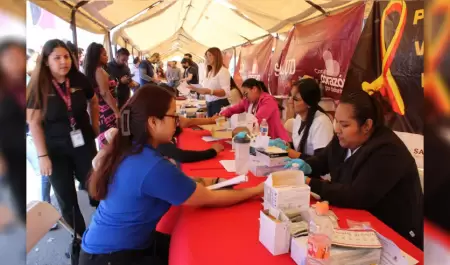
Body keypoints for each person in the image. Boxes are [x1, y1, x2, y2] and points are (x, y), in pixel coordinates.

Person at [80, 85, 263, 265]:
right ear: (153, 122)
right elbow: (209, 198)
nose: (177, 122)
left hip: (109, 248)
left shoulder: (131, 149)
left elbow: (173, 183)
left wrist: (211, 180)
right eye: (173, 116)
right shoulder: (150, 165)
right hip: (112, 257)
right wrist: (256, 190)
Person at [288, 90, 423, 249]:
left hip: (395, 235)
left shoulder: (387, 150)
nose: (337, 129)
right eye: (336, 121)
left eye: (344, 124)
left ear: (367, 125)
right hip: (359, 223)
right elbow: (324, 159)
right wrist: (306, 166)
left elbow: (356, 195)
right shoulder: (344, 138)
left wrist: (310, 182)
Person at [26, 39, 100, 239]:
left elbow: (93, 101)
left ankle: (104, 228)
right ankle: (80, 239)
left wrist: (95, 126)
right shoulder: (38, 85)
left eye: (66, 56)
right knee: (66, 197)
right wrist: (43, 156)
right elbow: (33, 122)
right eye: (57, 58)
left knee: (96, 185)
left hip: (83, 142)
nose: (63, 62)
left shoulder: (79, 79)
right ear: (46, 61)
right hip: (54, 149)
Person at [0, 40, 27, 222]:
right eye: (10, 58)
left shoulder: (24, 86)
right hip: (9, 155)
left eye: (21, 57)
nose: (17, 62)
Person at [277, 78, 333, 159]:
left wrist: (289, 151)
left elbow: (321, 161)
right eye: (290, 96)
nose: (290, 101)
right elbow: (299, 148)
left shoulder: (321, 122)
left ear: (309, 103)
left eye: (295, 99)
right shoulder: (299, 118)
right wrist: (286, 145)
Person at [220, 78, 290, 142]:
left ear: (254, 89)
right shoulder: (247, 101)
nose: (245, 97)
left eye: (246, 94)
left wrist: (234, 132)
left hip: (276, 141)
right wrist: (221, 114)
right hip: (259, 140)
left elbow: (257, 121)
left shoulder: (268, 101)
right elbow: (233, 109)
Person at [84, 42, 120, 149]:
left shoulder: (93, 70)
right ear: (96, 57)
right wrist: (117, 112)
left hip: (101, 112)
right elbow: (105, 93)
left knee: (106, 139)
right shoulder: (99, 71)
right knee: (110, 139)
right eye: (104, 54)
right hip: (107, 111)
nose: (107, 56)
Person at [188, 47, 230, 116]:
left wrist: (210, 91)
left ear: (216, 56)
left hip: (219, 104)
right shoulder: (210, 72)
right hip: (209, 104)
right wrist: (195, 88)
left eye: (209, 55)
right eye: (206, 56)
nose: (206, 58)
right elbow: (207, 88)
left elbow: (226, 92)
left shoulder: (223, 71)